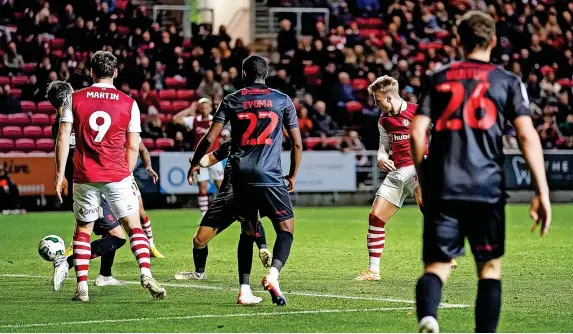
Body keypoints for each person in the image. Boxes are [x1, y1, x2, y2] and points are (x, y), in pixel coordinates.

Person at [410, 11, 551, 332]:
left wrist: (423, 178)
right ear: (492, 41)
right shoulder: (508, 81)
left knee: (437, 266)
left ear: (458, 40)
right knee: (488, 269)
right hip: (487, 188)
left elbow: (418, 134)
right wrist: (541, 191)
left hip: (444, 186)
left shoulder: (438, 77)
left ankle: (428, 317)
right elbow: (528, 135)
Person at [187, 55, 303, 306]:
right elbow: (296, 142)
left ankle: (244, 291)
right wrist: (292, 175)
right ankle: (273, 274)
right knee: (286, 229)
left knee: (248, 230)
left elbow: (210, 138)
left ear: (243, 74)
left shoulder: (232, 100)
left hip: (239, 176)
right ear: (266, 74)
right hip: (270, 175)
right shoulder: (282, 100)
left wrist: (196, 161)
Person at [53, 51, 166, 301]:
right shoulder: (129, 102)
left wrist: (60, 175)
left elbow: (63, 137)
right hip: (117, 173)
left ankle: (82, 287)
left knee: (83, 229)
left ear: (91, 71)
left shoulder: (75, 98)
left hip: (84, 175)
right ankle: (146, 273)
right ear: (115, 72)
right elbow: (133, 146)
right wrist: (126, 174)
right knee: (132, 226)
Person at [354, 76, 457, 281]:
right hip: (397, 172)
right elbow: (384, 145)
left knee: (427, 205)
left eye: (377, 100)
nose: (375, 103)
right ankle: (373, 271)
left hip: (419, 166)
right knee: (375, 217)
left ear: (389, 98)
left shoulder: (419, 112)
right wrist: (382, 156)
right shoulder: (384, 120)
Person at [175, 139, 273, 305]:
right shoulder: (230, 144)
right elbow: (210, 158)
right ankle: (200, 272)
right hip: (225, 199)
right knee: (199, 240)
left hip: (239, 196)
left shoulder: (260, 146)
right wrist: (197, 160)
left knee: (248, 223)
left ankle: (261, 251)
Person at [173, 98, 225, 217]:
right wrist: (190, 109)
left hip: (214, 157)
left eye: (206, 107)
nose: (204, 109)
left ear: (210, 108)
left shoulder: (216, 120)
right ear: (199, 109)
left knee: (220, 185)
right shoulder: (194, 120)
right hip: (200, 159)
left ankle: (225, 210)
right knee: (202, 186)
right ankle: (204, 215)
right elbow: (176, 119)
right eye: (202, 107)